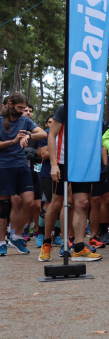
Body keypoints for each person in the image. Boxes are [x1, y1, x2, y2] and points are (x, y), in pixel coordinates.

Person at [0, 93, 47, 256]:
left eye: (24, 108)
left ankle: (16, 236)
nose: (22, 111)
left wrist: (28, 135)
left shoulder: (25, 120)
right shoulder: (0, 121)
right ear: (10, 104)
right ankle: (1, 242)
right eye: (19, 108)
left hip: (22, 165)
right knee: (4, 207)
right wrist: (13, 141)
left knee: (30, 203)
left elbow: (43, 133)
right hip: (4, 166)